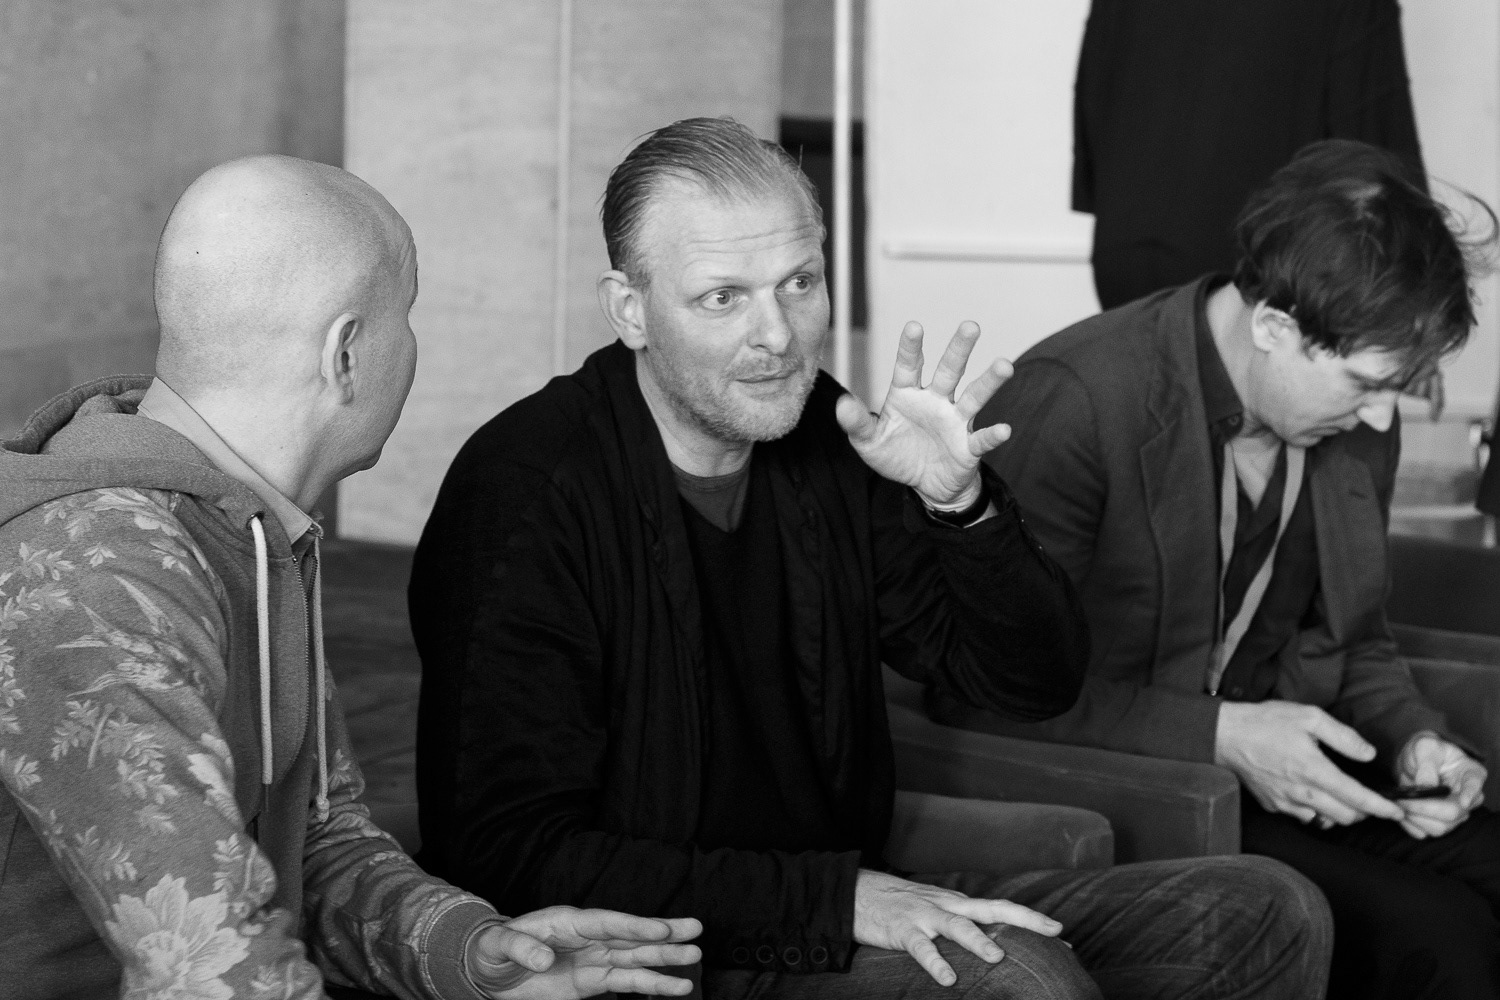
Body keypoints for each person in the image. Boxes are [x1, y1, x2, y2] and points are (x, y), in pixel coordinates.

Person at [409, 116, 1332, 1000]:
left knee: (1265, 913)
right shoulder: (525, 489)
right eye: (723, 297)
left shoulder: (822, 434)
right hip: (674, 953)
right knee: (1020, 982)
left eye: (799, 283)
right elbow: (503, 849)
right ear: (630, 310)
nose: (778, 336)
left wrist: (960, 507)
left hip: (847, 903)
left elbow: (1030, 682)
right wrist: (834, 902)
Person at [0, 155, 701, 1000]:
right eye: (408, 316)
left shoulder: (247, 528)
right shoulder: (101, 571)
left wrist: (471, 953)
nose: (415, 348)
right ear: (346, 354)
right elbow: (214, 972)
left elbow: (315, 846)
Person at [938, 139, 1500, 999]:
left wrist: (1417, 739)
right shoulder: (1079, 401)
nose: (1382, 417)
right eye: (1367, 383)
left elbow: (1355, 640)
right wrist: (1222, 735)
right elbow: (981, 692)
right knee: (1440, 938)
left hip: (1284, 767)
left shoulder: (1350, 418)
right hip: (1143, 781)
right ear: (1274, 327)